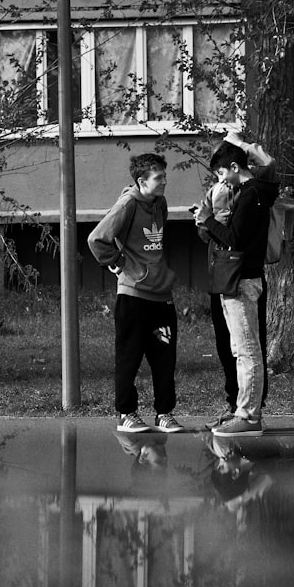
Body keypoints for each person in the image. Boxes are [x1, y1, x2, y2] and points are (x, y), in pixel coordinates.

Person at [88, 152, 186, 434]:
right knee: (129, 356)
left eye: (165, 176)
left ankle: (164, 414)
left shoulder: (160, 203)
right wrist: (120, 265)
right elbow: (97, 239)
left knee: (165, 358)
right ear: (142, 180)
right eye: (159, 178)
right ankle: (126, 414)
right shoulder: (128, 204)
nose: (165, 181)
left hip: (161, 294)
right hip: (133, 295)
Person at [194, 138, 279, 437]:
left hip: (242, 280)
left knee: (247, 352)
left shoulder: (252, 193)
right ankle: (241, 411)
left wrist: (207, 220)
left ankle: (249, 416)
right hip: (238, 279)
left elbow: (235, 238)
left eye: (220, 173)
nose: (219, 180)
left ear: (233, 168)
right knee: (239, 349)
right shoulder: (251, 191)